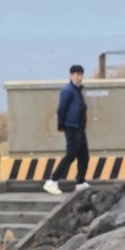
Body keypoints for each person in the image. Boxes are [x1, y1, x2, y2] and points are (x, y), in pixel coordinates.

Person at [43, 64, 89, 195]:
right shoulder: (68, 90)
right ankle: (52, 181)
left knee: (84, 156)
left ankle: (80, 182)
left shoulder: (78, 90)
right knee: (71, 155)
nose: (79, 77)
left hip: (80, 127)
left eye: (81, 75)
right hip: (72, 127)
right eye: (76, 74)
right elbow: (61, 110)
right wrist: (61, 125)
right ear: (71, 75)